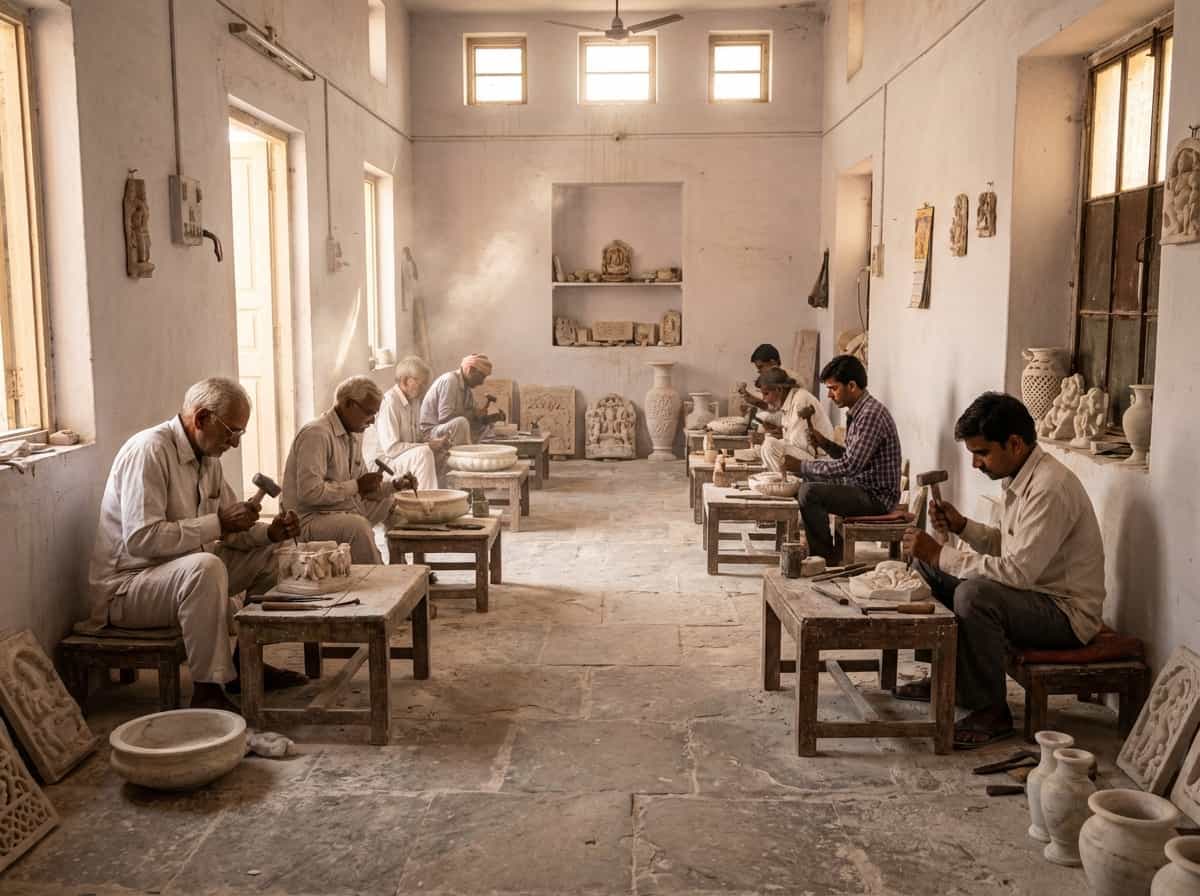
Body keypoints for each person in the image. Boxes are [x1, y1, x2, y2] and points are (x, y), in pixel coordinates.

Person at [899, 392, 1106, 749]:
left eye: (982, 453)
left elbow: (1016, 573)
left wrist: (942, 553)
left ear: (1014, 443)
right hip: (1032, 594)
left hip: (1066, 614)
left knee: (973, 594)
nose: (977, 464)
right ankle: (950, 678)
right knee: (928, 570)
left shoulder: (1050, 489)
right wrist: (963, 526)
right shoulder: (1019, 475)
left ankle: (990, 710)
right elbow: (1008, 546)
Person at [88, 378, 305, 711]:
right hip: (128, 589)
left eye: (240, 434)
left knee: (273, 555)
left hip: (183, 576)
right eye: (231, 432)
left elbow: (234, 530)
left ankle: (245, 664)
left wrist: (271, 533)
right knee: (205, 567)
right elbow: (141, 539)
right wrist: (218, 523)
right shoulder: (149, 451)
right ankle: (208, 688)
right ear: (201, 418)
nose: (234, 443)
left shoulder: (209, 459)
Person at [281, 375, 415, 564]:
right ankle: (377, 579)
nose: (372, 421)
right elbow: (309, 493)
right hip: (307, 519)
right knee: (357, 527)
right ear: (348, 404)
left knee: (391, 505)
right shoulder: (316, 434)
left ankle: (400, 566)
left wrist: (395, 485)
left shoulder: (353, 434)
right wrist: (357, 486)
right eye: (369, 413)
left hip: (340, 509)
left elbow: (365, 490)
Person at [787, 354, 902, 562]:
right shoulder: (859, 412)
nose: (830, 395)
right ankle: (823, 550)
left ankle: (824, 559)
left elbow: (850, 466)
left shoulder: (870, 415)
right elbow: (853, 458)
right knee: (808, 482)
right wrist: (825, 444)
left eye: (833, 388)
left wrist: (802, 465)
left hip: (877, 498)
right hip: (862, 486)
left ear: (851, 385)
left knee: (809, 492)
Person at [370, 355, 447, 490]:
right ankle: (426, 502)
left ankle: (440, 496)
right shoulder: (390, 402)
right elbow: (391, 449)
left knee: (441, 454)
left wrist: (435, 443)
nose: (425, 388)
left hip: (401, 457)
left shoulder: (414, 400)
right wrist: (427, 445)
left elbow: (415, 438)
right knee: (424, 453)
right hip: (384, 463)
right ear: (405, 381)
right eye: (422, 384)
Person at [756, 367, 834, 473]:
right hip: (809, 456)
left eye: (766, 394)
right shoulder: (790, 400)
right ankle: (783, 483)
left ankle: (786, 485)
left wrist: (770, 439)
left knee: (770, 446)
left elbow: (801, 446)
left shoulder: (800, 401)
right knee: (766, 445)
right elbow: (792, 441)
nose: (764, 399)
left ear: (779, 389)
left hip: (820, 464)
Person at [419, 354, 506, 446]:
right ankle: (466, 453)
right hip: (431, 432)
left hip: (447, 429)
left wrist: (490, 418)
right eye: (482, 377)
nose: (482, 382)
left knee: (484, 426)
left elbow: (474, 418)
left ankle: (472, 449)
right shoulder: (450, 380)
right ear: (471, 370)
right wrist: (473, 414)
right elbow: (445, 418)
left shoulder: (467, 389)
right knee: (461, 423)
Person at [737, 344, 796, 416]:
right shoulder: (772, 380)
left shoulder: (789, 380)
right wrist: (755, 402)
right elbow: (775, 408)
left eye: (761, 367)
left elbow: (784, 415)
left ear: (773, 362)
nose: (759, 372)